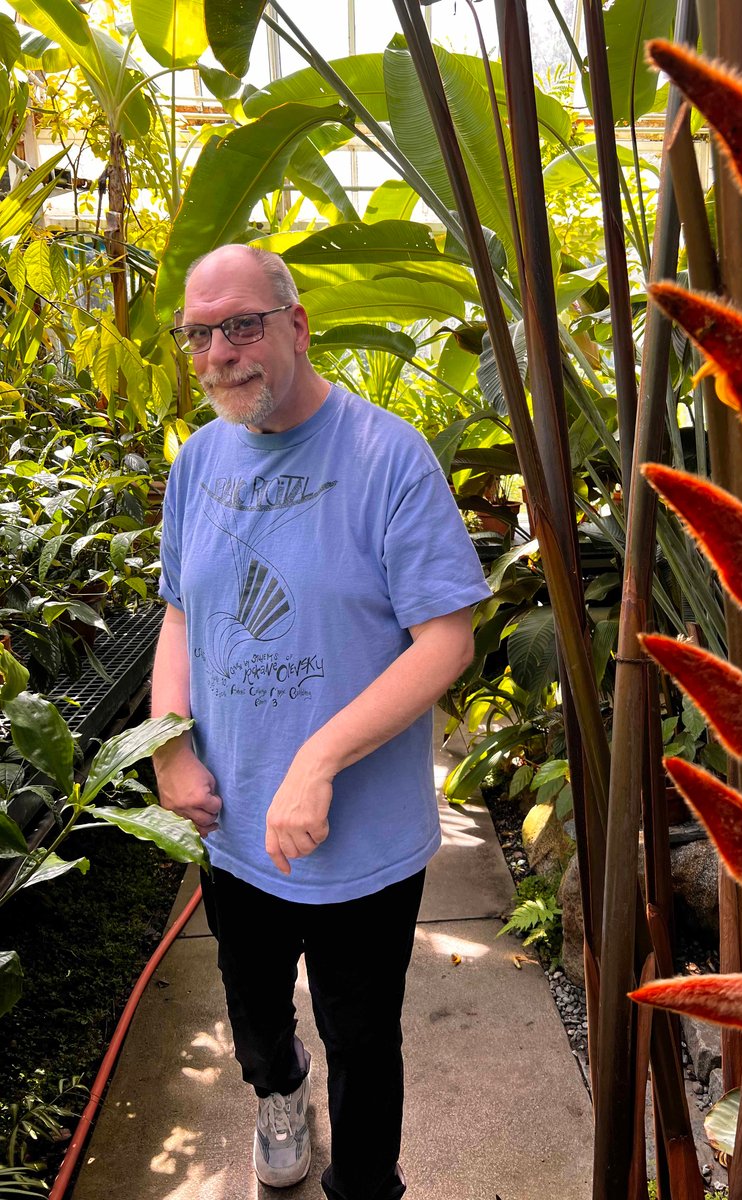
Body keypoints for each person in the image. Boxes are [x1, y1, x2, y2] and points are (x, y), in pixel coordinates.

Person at [151, 243, 491, 1198]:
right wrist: (170, 750)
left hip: (360, 845)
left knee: (362, 1039)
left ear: (296, 326)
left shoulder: (389, 458)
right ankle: (277, 1092)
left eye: (243, 326)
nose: (221, 352)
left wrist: (320, 757)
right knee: (255, 1016)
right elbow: (180, 614)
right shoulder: (198, 460)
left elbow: (444, 640)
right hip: (229, 825)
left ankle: (367, 1185)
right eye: (201, 334)